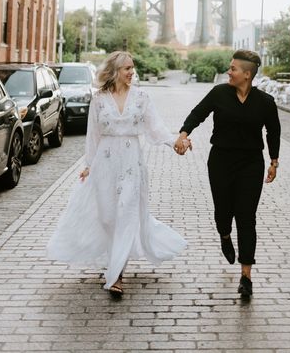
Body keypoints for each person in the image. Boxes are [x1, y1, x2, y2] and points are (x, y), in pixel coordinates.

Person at [47, 51, 186, 297]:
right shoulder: (99, 100)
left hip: (132, 163)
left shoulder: (142, 97)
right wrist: (89, 165)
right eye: (126, 68)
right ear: (114, 71)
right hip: (105, 164)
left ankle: (116, 274)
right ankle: (117, 262)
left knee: (126, 214)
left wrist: (175, 142)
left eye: (132, 67)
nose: (131, 72)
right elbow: (93, 136)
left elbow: (156, 128)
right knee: (109, 217)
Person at [174, 49, 280, 298]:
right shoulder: (220, 93)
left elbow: (273, 132)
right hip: (221, 160)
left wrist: (274, 161)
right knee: (224, 212)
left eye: (233, 69)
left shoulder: (265, 102)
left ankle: (246, 277)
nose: (228, 72)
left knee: (246, 217)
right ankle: (224, 234)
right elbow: (198, 113)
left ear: (247, 74)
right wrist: (183, 133)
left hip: (251, 164)